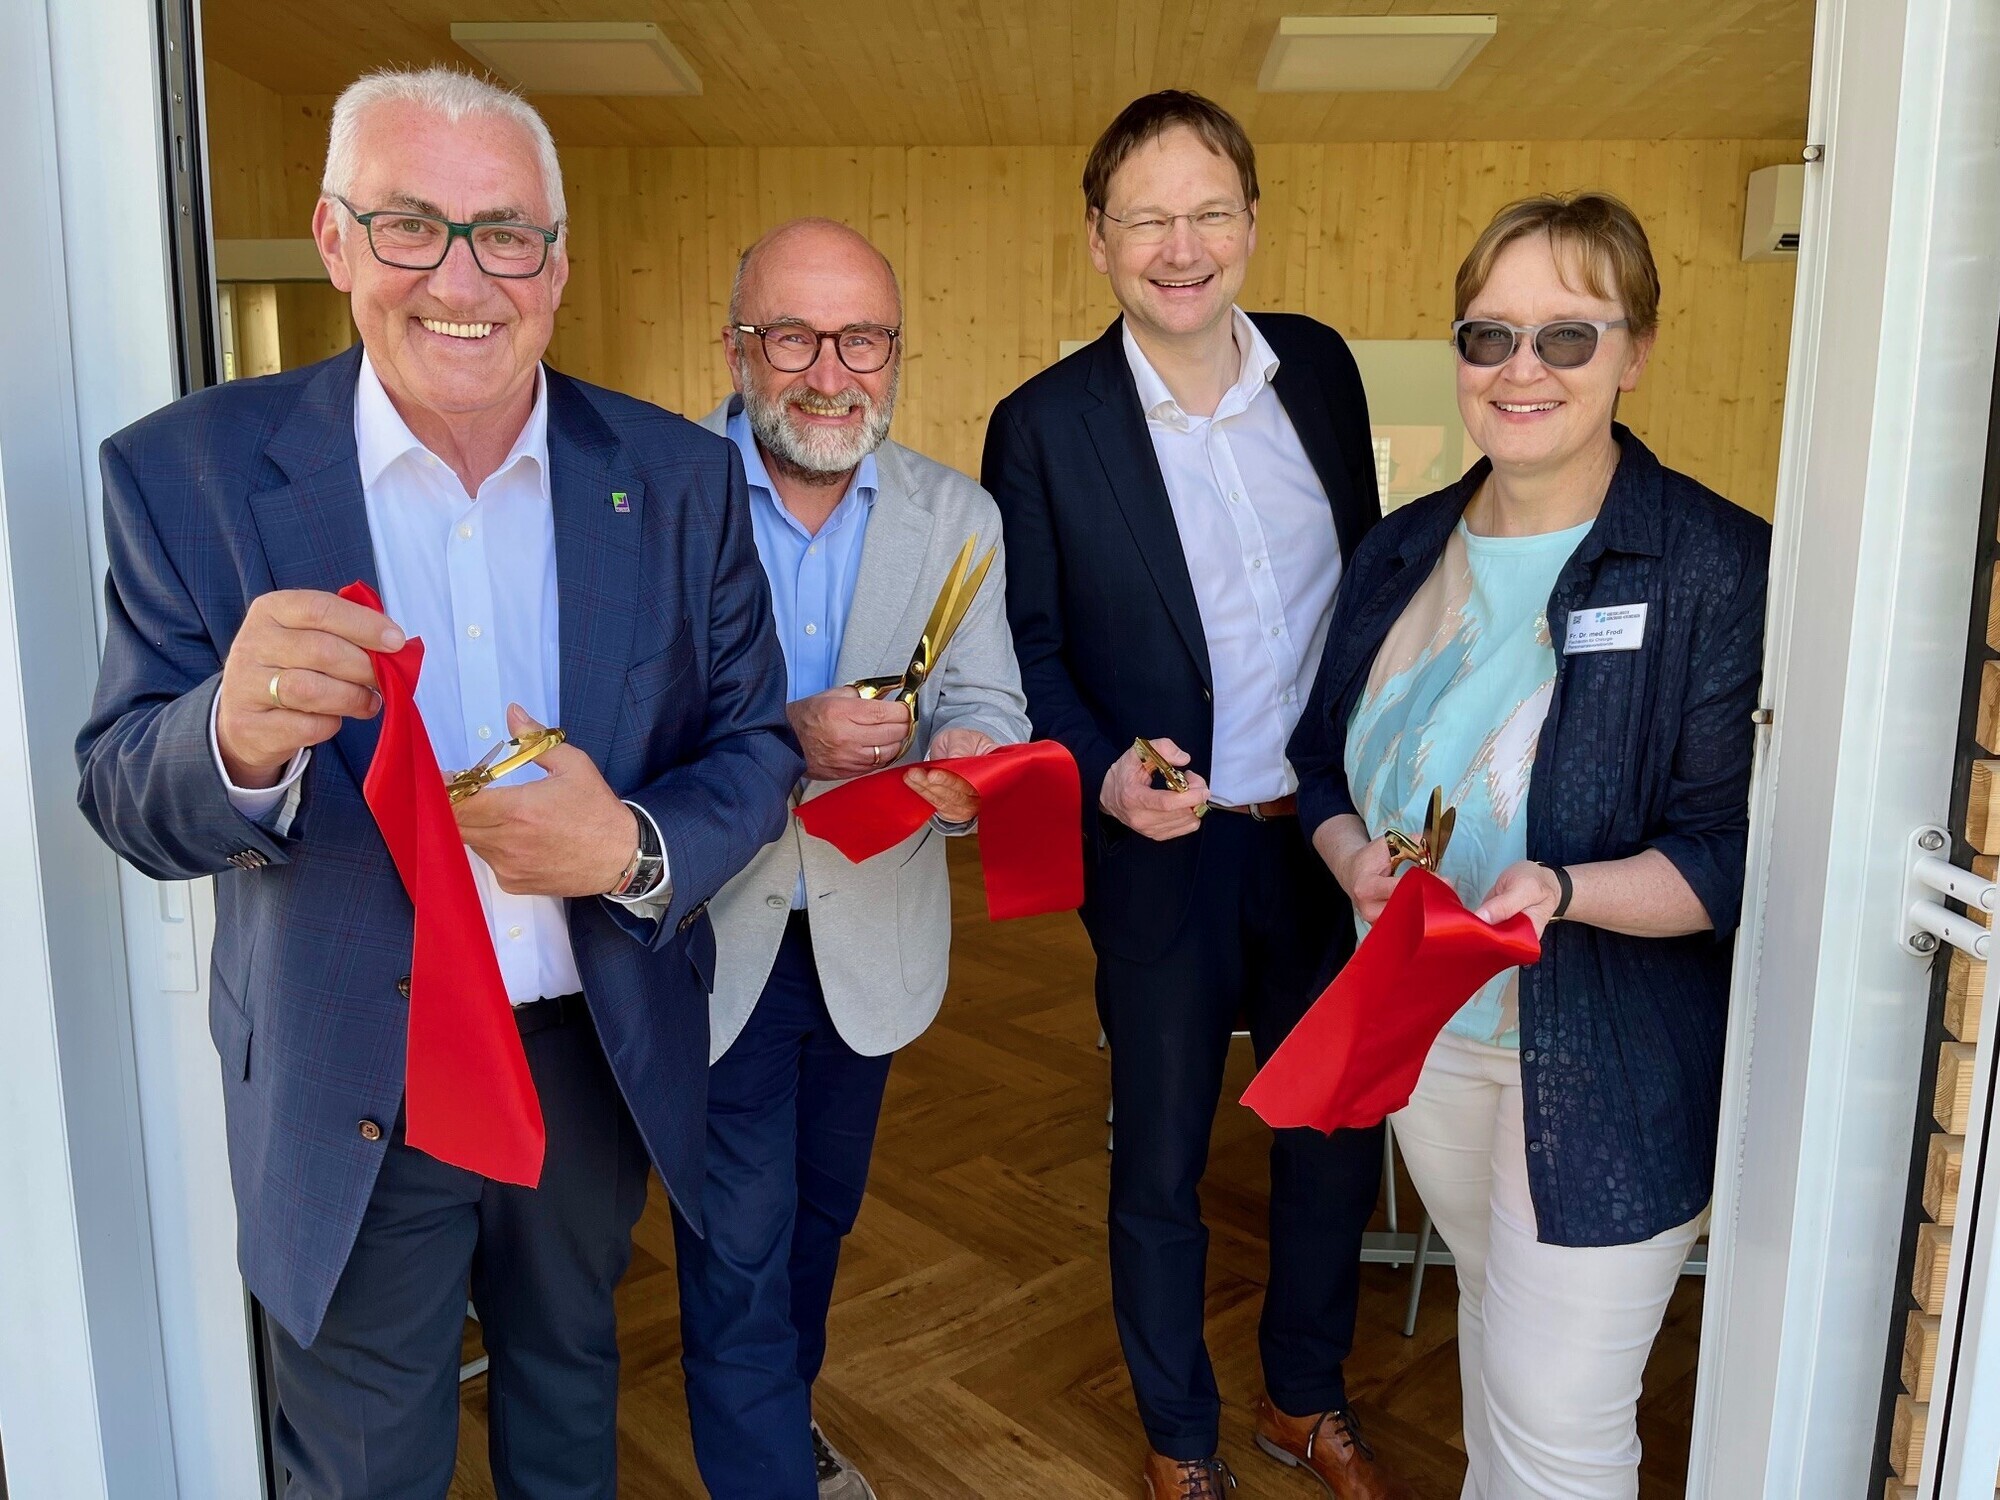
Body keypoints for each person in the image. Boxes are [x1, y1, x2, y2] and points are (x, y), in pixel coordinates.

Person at [74, 67, 800, 1498]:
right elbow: (122, 789)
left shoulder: (676, 478)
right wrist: (232, 738)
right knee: (364, 1467)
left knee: (568, 1414)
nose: (462, 279)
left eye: (506, 234)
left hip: (585, 1059)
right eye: (410, 225)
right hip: (351, 1064)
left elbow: (758, 747)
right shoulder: (186, 474)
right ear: (334, 240)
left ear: (558, 265)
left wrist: (630, 848)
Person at [1290, 191, 1770, 1499]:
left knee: (1558, 1419)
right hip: (1429, 1030)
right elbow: (1317, 759)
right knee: (1500, 1347)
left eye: (1568, 335)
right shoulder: (1400, 549)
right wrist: (1349, 856)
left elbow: (1733, 855)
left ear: (1634, 351)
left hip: (1607, 1053)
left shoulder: (1713, 566)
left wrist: (1564, 888)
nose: (1522, 368)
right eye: (1489, 335)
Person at [983, 91, 1411, 1500]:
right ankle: (1180, 1437)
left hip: (1328, 839)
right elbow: (1027, 647)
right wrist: (1101, 769)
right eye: (1148, 218)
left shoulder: (1322, 371)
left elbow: (1367, 587)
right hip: (1165, 851)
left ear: (1251, 223)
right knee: (1160, 1158)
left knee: (1330, 1134)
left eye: (1209, 213)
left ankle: (1304, 1398)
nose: (1182, 247)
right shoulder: (1042, 426)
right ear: (1097, 238)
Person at [678, 218, 1031, 1500]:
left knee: (817, 1216)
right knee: (738, 1240)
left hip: (871, 937)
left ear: (895, 352)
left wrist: (968, 763)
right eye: (793, 337)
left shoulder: (958, 515)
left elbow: (989, 699)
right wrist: (789, 734)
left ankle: (781, 1416)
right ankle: (767, 1471)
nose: (830, 373)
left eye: (863, 340)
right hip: (705, 933)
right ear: (736, 348)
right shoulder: (659, 494)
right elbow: (613, 728)